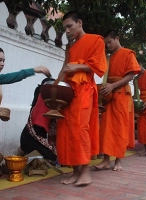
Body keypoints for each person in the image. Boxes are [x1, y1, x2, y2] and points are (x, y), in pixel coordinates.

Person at [56, 11, 107, 186]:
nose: (67, 31)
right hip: (69, 92)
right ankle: (75, 171)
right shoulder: (70, 46)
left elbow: (98, 66)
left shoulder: (95, 40)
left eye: (69, 26)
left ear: (79, 22)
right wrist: (55, 88)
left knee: (80, 128)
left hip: (85, 89)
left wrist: (76, 67)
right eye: (65, 29)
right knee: (66, 131)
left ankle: (85, 171)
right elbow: (65, 67)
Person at [95, 30, 140, 171]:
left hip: (121, 94)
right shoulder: (108, 58)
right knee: (106, 127)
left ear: (117, 38)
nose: (108, 45)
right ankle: (106, 160)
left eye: (110, 42)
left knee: (120, 127)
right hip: (109, 95)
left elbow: (132, 74)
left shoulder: (128, 53)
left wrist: (113, 85)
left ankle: (118, 161)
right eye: (106, 43)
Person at [20, 77, 57, 162]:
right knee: (54, 158)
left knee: (53, 156)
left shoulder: (43, 100)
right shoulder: (43, 97)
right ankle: (27, 153)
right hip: (30, 139)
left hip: (32, 138)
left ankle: (27, 152)